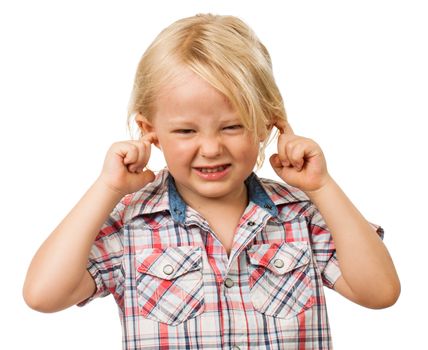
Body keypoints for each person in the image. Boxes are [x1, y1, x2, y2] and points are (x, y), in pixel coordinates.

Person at [23, 13, 400, 349]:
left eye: (233, 126)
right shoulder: (130, 222)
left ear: (266, 123)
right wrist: (107, 188)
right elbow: (43, 295)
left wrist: (321, 187)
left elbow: (380, 292)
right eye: (186, 130)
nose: (210, 147)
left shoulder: (301, 212)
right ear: (150, 132)